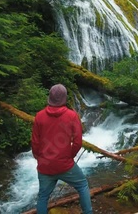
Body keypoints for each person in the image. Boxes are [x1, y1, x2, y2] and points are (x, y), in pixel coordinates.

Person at [31, 84, 93, 214]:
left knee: (43, 196)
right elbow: (77, 142)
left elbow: (35, 143)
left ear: (50, 97)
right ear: (64, 98)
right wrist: (69, 156)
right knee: (82, 185)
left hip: (45, 165)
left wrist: (40, 159)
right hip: (65, 165)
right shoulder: (72, 116)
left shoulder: (39, 116)